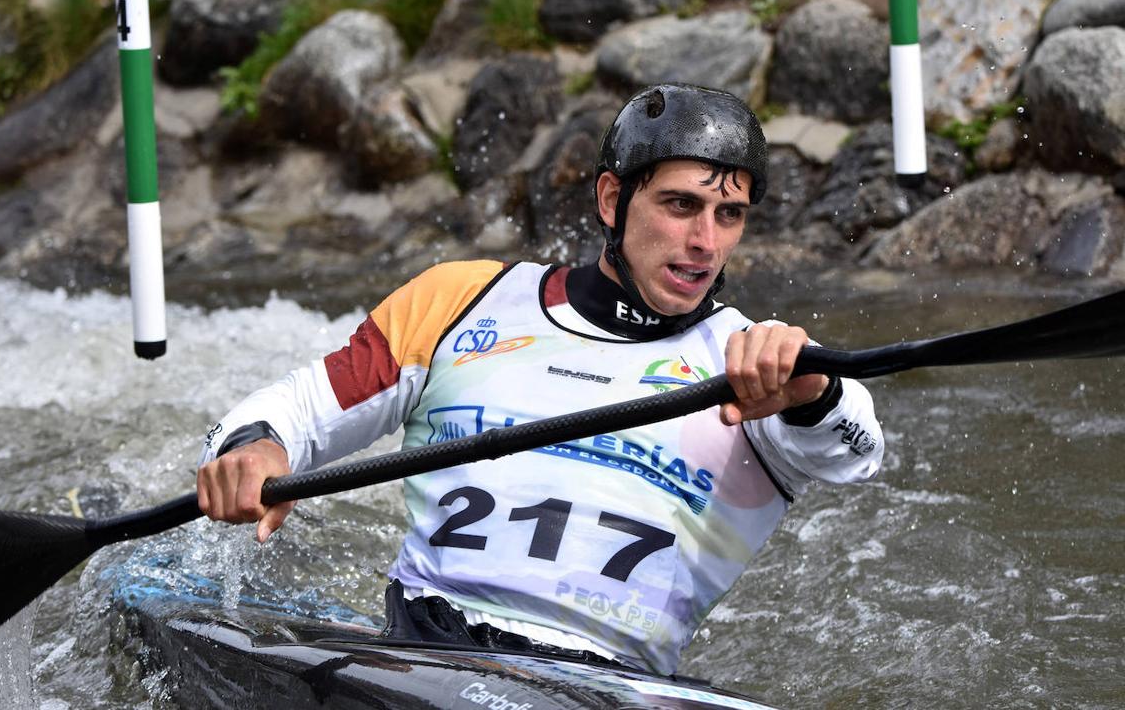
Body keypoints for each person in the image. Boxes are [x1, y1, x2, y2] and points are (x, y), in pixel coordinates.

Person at [196, 83, 883, 676]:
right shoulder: (460, 300)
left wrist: (813, 394)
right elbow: (299, 407)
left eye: (728, 215)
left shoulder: (759, 363)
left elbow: (855, 451)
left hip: (609, 683)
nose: (706, 241)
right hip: (424, 656)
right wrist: (256, 449)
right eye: (679, 206)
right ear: (612, 199)